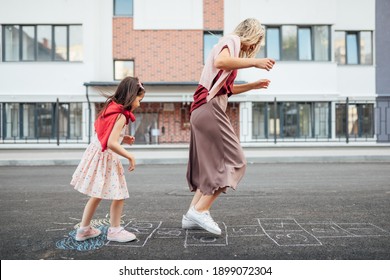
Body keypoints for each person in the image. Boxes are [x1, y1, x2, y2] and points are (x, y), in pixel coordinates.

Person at [183, 18, 275, 235]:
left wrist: (251, 86)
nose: (253, 49)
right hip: (209, 108)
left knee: (211, 167)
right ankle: (200, 210)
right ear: (251, 35)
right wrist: (255, 62)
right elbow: (222, 62)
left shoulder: (226, 44)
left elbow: (226, 89)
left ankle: (191, 214)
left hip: (201, 110)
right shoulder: (231, 40)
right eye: (256, 42)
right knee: (237, 162)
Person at [70, 76, 145, 242]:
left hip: (97, 153)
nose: (139, 104)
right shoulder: (121, 115)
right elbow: (111, 142)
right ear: (131, 97)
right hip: (106, 157)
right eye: (139, 100)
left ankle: (83, 230)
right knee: (119, 194)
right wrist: (129, 156)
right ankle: (115, 230)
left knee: (97, 194)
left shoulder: (111, 107)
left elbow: (105, 132)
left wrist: (123, 137)